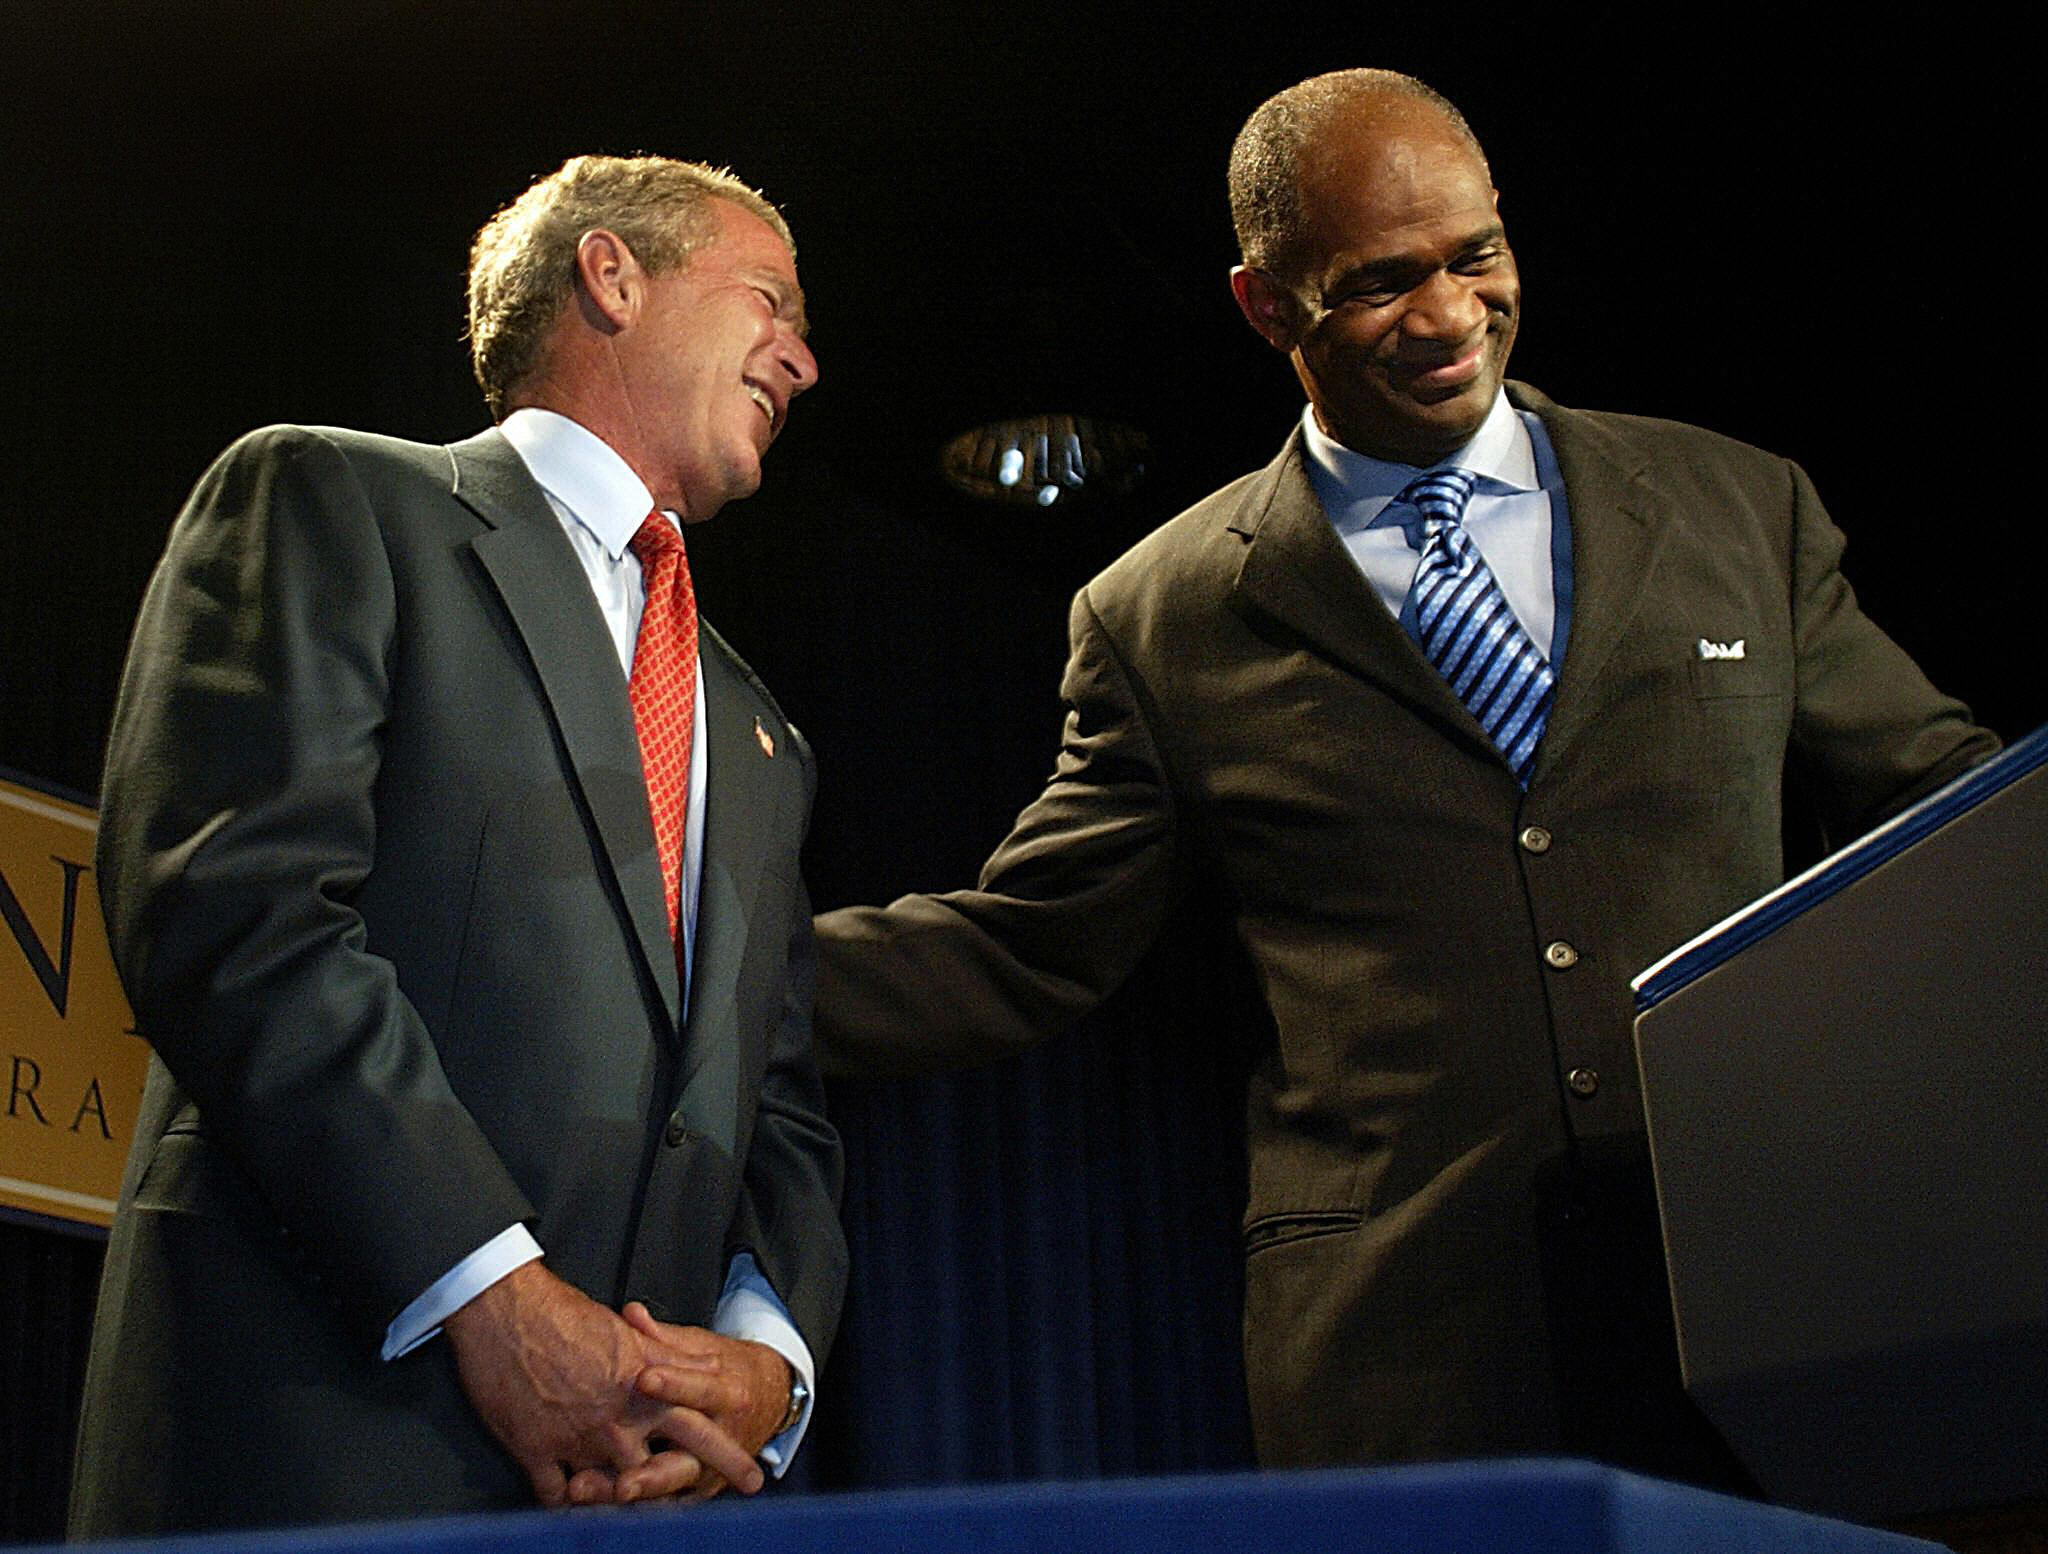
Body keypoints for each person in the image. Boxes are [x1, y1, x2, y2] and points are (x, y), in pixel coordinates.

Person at [811, 70, 1998, 1483]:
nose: (1445, 316)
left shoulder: (1739, 504)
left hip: (1775, 1296)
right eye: (1376, 283)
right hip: (1407, 1357)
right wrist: (702, 989)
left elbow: (1949, 811)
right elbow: (1030, 946)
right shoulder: (1162, 613)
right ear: (1265, 307)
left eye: (1473, 257)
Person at [72, 155, 845, 1535]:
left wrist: (763, 1363)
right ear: (612, 276)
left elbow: (779, 1101)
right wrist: (496, 1300)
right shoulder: (332, 502)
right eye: (769, 299)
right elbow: (238, 917)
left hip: (637, 1486)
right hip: (324, 1448)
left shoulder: (758, 723)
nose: (802, 355)